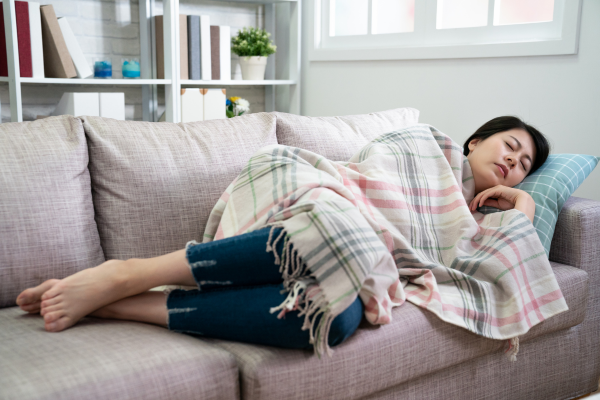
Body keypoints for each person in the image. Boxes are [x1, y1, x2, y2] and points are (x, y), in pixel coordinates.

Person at [15, 115, 550, 350]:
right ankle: (130, 271)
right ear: (476, 141)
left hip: (365, 247)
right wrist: (369, 220)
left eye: (524, 164)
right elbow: (377, 171)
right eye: (508, 145)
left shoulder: (475, 220)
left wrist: (523, 206)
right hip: (317, 193)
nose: (513, 161)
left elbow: (497, 265)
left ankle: (123, 303)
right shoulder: (427, 144)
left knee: (334, 319)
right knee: (337, 231)